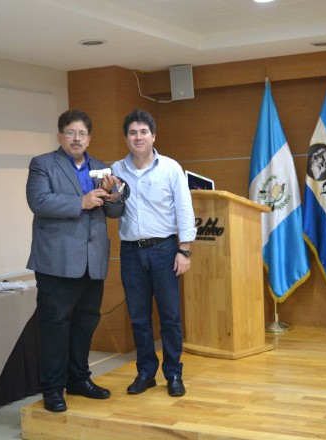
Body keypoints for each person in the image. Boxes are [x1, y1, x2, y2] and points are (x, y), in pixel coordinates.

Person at [26, 109, 116, 412]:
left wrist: (114, 193)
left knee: (84, 325)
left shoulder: (102, 168)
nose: (76, 138)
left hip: (93, 263)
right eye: (70, 132)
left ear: (89, 138)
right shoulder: (43, 164)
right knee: (55, 326)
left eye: (82, 134)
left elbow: (115, 212)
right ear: (60, 136)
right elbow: (38, 201)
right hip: (57, 261)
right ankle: (52, 388)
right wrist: (81, 201)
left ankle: (79, 379)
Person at [110, 109, 196, 397]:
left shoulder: (170, 168)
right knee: (138, 317)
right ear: (126, 138)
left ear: (153, 136)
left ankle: (173, 373)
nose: (138, 137)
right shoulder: (115, 171)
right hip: (131, 252)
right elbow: (112, 210)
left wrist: (184, 251)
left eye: (143, 132)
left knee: (170, 317)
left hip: (165, 250)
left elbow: (184, 210)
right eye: (133, 132)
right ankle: (146, 373)